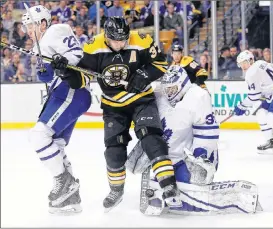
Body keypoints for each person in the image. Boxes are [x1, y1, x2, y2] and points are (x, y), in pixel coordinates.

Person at [55, 17, 182, 212]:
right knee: (114, 151)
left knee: (151, 138)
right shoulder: (93, 46)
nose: (120, 44)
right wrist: (66, 73)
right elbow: (81, 78)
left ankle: (168, 183)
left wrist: (143, 76)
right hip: (113, 106)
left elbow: (161, 62)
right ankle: (116, 190)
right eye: (116, 41)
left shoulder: (141, 39)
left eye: (123, 39)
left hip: (141, 99)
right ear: (106, 36)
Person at [126, 65, 262, 216]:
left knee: (188, 187)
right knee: (168, 188)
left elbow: (206, 133)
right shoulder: (160, 93)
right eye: (166, 88)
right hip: (168, 157)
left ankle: (208, 195)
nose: (168, 92)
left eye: (172, 89)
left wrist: (200, 157)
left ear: (183, 84)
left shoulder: (199, 96)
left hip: (191, 156)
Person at [22, 5, 92, 214]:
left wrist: (64, 63)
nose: (27, 31)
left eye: (31, 25)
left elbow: (77, 55)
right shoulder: (40, 45)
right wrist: (46, 69)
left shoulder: (56, 30)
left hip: (71, 91)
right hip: (62, 93)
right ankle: (71, 198)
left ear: (43, 23)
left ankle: (64, 181)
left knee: (38, 136)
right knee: (56, 145)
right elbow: (46, 76)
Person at [233, 50, 273, 154]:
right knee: (261, 112)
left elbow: (254, 97)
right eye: (241, 64)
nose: (243, 66)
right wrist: (268, 87)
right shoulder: (261, 62)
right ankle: (271, 143)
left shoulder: (250, 73)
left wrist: (242, 106)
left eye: (244, 63)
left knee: (272, 117)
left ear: (251, 60)